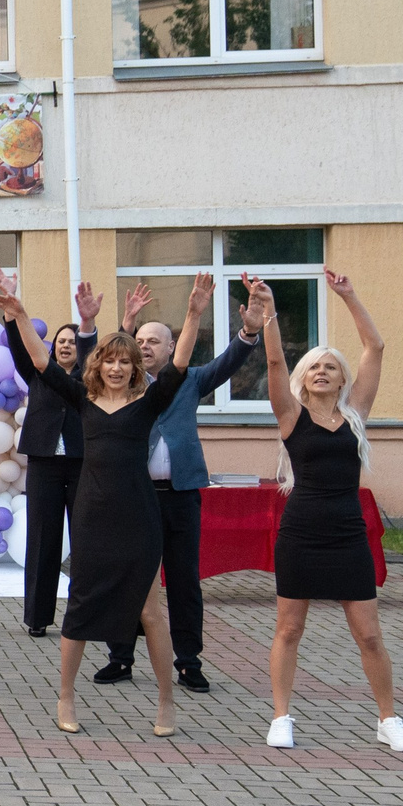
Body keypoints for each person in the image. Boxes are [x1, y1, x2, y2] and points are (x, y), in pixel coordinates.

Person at [0, 273, 203, 739]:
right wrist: (21, 314)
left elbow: (179, 365)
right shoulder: (82, 399)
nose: (116, 368)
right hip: (92, 516)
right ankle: (66, 696)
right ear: (98, 365)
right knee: (80, 608)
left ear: (135, 368)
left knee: (150, 613)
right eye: (109, 360)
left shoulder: (148, 402)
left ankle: (166, 701)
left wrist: (193, 314)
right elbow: (40, 362)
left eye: (124, 361)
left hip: (140, 518)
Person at [254, 272, 403, 753]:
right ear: (303, 378)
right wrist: (269, 311)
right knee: (289, 628)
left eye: (330, 367)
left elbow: (376, 347)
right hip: (301, 532)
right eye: (314, 367)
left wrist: (349, 295)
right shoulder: (290, 415)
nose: (321, 372)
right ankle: (281, 716)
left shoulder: (355, 415)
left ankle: (388, 719)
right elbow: (275, 360)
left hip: (348, 534)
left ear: (343, 379)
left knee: (369, 636)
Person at [98, 280, 268, 692]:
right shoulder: (122, 383)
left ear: (173, 347)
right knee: (128, 577)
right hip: (134, 497)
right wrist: (125, 324)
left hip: (180, 496)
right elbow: (105, 360)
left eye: (154, 341)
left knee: (184, 581)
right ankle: (120, 658)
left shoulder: (190, 380)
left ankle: (189, 662)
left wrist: (249, 332)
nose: (145, 346)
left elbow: (226, 364)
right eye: (140, 341)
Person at [13, 287, 104, 637]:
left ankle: (87, 615)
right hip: (44, 464)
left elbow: (93, 352)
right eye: (60, 341)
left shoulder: (92, 378)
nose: (66, 345)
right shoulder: (38, 373)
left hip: (82, 464)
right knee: (42, 540)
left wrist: (89, 322)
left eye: (71, 341)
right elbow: (19, 348)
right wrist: (11, 314)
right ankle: (37, 617)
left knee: (87, 540)